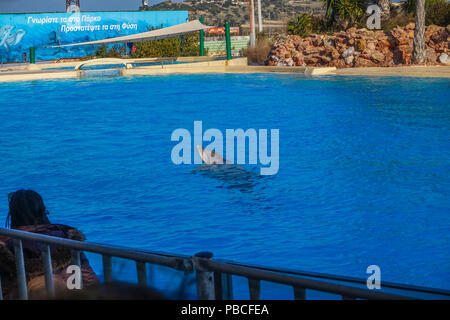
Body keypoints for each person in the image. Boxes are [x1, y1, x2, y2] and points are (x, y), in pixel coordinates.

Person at [0, 190, 98, 299]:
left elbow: (8, 289)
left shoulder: (9, 244)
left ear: (14, 216)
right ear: (43, 211)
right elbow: (89, 278)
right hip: (72, 295)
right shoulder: (67, 237)